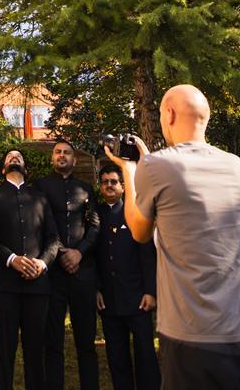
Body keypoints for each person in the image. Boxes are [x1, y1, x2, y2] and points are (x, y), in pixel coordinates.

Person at [105, 85, 240, 390]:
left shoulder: (157, 166)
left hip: (191, 335)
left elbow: (140, 231)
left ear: (168, 114)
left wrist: (132, 170)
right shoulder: (238, 167)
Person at [34, 137, 100, 390]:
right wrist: (61, 253)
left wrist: (80, 253)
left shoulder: (86, 189)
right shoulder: (40, 187)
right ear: (52, 158)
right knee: (53, 342)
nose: (62, 156)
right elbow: (39, 226)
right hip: (53, 274)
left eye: (67, 153)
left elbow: (94, 226)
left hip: (82, 273)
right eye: (58, 152)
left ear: (74, 159)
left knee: (86, 342)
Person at [0, 148, 59, 390]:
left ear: (26, 169)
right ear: (3, 169)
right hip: (5, 286)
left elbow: (53, 239)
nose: (14, 157)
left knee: (35, 350)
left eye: (18, 156)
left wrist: (42, 263)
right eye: (9, 156)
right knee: (4, 349)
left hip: (37, 286)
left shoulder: (40, 198)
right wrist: (11, 259)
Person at [95, 162, 160, 390]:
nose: (109, 186)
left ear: (122, 186)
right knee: (117, 357)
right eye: (105, 182)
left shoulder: (134, 212)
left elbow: (147, 256)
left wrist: (151, 292)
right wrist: (96, 290)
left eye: (114, 182)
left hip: (137, 299)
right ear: (100, 187)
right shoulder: (95, 216)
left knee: (145, 354)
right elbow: (93, 257)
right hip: (109, 301)